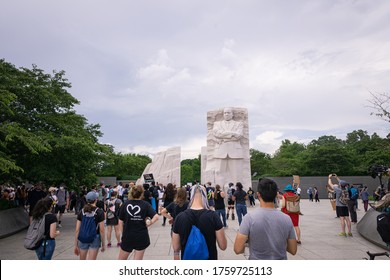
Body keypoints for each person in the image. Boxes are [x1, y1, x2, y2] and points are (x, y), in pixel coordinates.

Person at [234, 178, 297, 260]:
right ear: (275, 195)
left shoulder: (249, 218)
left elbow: (237, 249)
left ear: (258, 195)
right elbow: (293, 250)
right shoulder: (286, 219)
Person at [172, 184, 227, 260]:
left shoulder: (180, 217)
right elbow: (223, 246)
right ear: (205, 197)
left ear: (190, 196)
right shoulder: (213, 216)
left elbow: (176, 247)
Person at [118, 185, 159, 260]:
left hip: (128, 235)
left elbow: (120, 221)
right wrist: (149, 223)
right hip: (141, 236)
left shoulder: (125, 204)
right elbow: (156, 216)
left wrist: (122, 233)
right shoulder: (145, 204)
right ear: (142, 194)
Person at [212, 107, 244, 186]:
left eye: (228, 112)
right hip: (220, 151)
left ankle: (238, 192)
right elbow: (216, 134)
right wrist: (231, 134)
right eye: (225, 113)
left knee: (236, 174)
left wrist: (224, 136)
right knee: (219, 173)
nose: (226, 114)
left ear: (232, 114)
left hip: (235, 152)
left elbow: (239, 135)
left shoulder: (239, 124)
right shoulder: (217, 124)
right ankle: (218, 192)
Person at [74, 191, 106, 260]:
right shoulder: (99, 212)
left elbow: (77, 230)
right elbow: (102, 230)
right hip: (95, 237)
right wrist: (103, 244)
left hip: (83, 237)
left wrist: (76, 245)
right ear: (96, 199)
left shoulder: (81, 211)